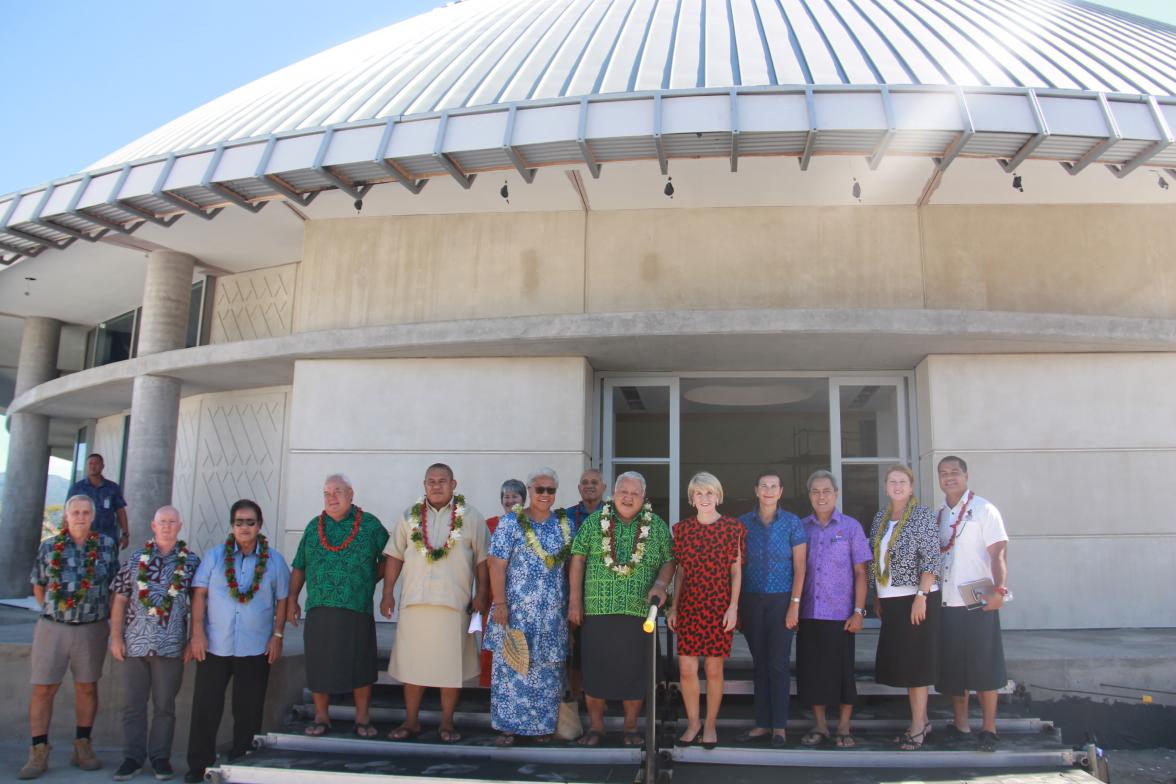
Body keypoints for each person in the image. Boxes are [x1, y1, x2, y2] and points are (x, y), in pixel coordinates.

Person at [184, 500, 291, 783]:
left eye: (250, 522)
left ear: (260, 525)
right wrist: (197, 632)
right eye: (239, 522)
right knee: (205, 708)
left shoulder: (275, 561)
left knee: (248, 710)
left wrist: (277, 635)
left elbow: (282, 599)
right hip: (214, 645)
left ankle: (243, 762)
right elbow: (199, 594)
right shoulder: (215, 557)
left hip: (255, 647)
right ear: (232, 525)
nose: (245, 527)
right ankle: (198, 767)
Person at [382, 464, 490, 743]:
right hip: (415, 603)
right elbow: (394, 555)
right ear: (424, 484)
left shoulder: (471, 517)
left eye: (442, 481)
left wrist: (481, 594)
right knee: (412, 667)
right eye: (431, 481)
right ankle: (411, 721)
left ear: (454, 484)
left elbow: (482, 560)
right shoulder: (409, 516)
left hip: (454, 605)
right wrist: (388, 592)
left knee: (449, 670)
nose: (436, 486)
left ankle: (446, 723)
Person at [568, 471, 674, 748]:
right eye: (622, 492)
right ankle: (597, 727)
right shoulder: (594, 523)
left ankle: (630, 727)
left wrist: (662, 584)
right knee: (595, 670)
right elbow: (577, 559)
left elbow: (669, 560)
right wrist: (575, 601)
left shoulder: (658, 526)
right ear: (613, 494)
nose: (627, 497)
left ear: (643, 497)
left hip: (639, 612)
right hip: (597, 609)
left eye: (634, 493)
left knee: (634, 673)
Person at [19, 495, 119, 779]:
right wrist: (56, 613)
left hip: (92, 627)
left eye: (86, 512)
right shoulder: (49, 547)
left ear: (93, 515)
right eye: (75, 512)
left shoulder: (106, 546)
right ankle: (38, 749)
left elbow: (114, 587)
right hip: (54, 627)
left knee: (87, 686)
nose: (80, 516)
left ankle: (83, 745)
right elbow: (39, 585)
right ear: (66, 515)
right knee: (43, 688)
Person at [288, 474, 387, 739]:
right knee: (319, 662)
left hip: (356, 606)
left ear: (351, 493)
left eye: (337, 492)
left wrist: (370, 580)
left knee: (361, 662)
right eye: (327, 493)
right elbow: (299, 565)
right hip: (319, 606)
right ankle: (322, 717)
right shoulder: (313, 527)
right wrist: (292, 599)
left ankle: (362, 718)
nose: (332, 497)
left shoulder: (370, 525)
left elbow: (392, 557)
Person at [110, 506, 201, 782]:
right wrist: (115, 637)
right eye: (162, 521)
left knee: (165, 706)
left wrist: (193, 638)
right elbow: (121, 598)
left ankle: (160, 757)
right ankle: (132, 757)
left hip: (171, 645)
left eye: (172, 522)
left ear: (179, 525)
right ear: (153, 525)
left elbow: (198, 602)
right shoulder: (136, 558)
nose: (167, 526)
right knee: (133, 704)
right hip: (135, 643)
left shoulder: (191, 561)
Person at [485, 469, 572, 746]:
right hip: (516, 610)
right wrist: (500, 603)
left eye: (550, 490)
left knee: (547, 670)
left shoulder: (565, 524)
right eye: (539, 489)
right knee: (512, 667)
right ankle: (508, 727)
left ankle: (542, 727)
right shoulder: (511, 523)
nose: (545, 495)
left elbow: (573, 566)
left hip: (551, 614)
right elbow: (496, 564)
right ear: (529, 491)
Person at [934, 456, 1009, 752]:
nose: (949, 477)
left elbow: (999, 554)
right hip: (948, 598)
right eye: (943, 473)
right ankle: (961, 724)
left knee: (984, 664)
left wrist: (1000, 590)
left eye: (955, 472)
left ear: (966, 475)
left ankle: (989, 728)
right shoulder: (939, 514)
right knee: (954, 666)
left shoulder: (984, 509)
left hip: (977, 595)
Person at [667, 472, 744, 749]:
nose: (704, 498)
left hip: (719, 606)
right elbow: (680, 572)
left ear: (718, 495)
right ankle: (693, 722)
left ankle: (710, 724)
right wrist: (673, 607)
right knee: (687, 669)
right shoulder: (682, 530)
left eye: (709, 492)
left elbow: (736, 572)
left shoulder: (733, 528)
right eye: (699, 493)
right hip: (690, 605)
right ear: (691, 498)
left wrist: (733, 608)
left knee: (713, 668)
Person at [796, 470, 871, 748]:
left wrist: (859, 611)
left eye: (826, 490)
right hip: (808, 612)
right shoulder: (801, 527)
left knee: (842, 673)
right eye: (815, 491)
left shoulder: (851, 527)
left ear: (836, 493)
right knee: (812, 672)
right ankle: (820, 726)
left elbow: (861, 573)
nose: (821, 496)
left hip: (841, 615)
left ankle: (843, 727)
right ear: (809, 496)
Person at [869, 464, 941, 751]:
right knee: (905, 663)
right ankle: (921, 722)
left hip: (916, 600)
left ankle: (917, 726)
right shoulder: (879, 519)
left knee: (917, 665)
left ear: (911, 487)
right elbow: (874, 561)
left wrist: (922, 596)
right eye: (892, 481)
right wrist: (876, 595)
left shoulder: (921, 515)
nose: (897, 486)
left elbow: (931, 557)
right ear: (886, 487)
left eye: (902, 481)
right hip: (891, 600)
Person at [735, 472, 807, 747]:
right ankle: (762, 724)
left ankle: (780, 726)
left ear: (780, 491)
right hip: (751, 601)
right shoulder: (742, 524)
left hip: (782, 601)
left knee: (777, 664)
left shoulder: (792, 523)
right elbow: (736, 567)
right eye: (763, 485)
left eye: (773, 486)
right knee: (759, 664)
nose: (768, 490)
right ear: (756, 490)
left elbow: (800, 567)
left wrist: (795, 605)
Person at [561, 469, 607, 700]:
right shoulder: (565, 517)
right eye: (585, 482)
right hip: (572, 591)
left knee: (600, 648)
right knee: (574, 649)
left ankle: (601, 695)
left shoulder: (613, 516)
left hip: (602, 593)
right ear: (579, 488)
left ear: (604, 488)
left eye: (595, 482)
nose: (590, 486)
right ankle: (576, 697)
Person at [479, 479, 526, 689]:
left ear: (523, 500)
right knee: (493, 638)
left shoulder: (529, 525)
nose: (510, 500)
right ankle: (490, 686)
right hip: (493, 591)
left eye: (514, 496)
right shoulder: (489, 524)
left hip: (520, 593)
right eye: (506, 496)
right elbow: (480, 559)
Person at [67, 453, 129, 550]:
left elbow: (120, 511)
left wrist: (125, 534)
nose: (93, 466)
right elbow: (67, 512)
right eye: (90, 464)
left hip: (108, 537)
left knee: (108, 564)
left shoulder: (112, 488)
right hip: (83, 537)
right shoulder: (77, 488)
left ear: (102, 466)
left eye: (96, 463)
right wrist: (64, 535)